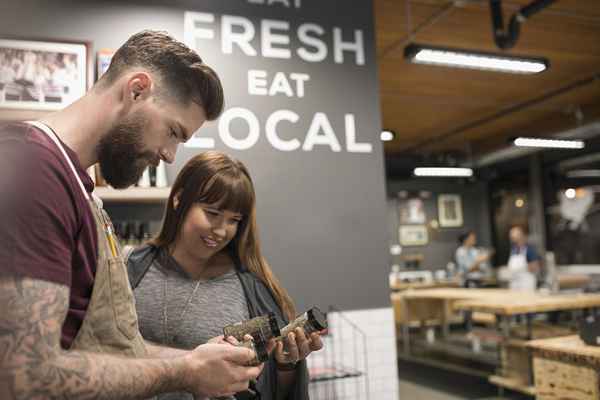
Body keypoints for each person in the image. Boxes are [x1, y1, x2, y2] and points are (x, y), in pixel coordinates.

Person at [0, 30, 264, 400]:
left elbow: (95, 347)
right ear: (136, 89)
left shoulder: (76, 185)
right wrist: (185, 372)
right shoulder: (34, 171)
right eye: (173, 132)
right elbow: (21, 376)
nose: (171, 155)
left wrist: (199, 361)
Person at [127, 151, 324, 400]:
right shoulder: (132, 268)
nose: (221, 230)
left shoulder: (253, 289)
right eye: (212, 213)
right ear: (178, 199)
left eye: (234, 220)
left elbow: (272, 390)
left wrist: (286, 365)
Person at [507, 226, 541, 290]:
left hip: (526, 283)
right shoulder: (514, 250)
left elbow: (536, 266)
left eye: (514, 236)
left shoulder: (530, 250)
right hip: (514, 283)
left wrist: (522, 268)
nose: (512, 239)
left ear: (521, 236)